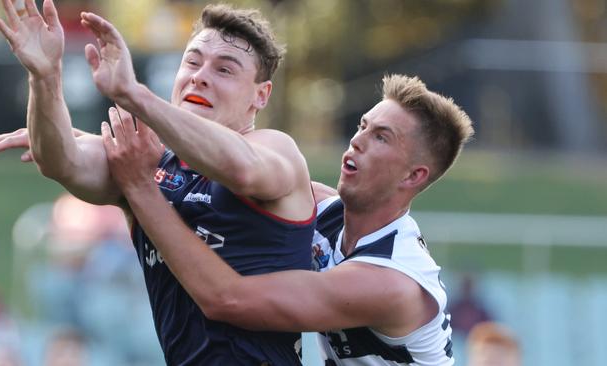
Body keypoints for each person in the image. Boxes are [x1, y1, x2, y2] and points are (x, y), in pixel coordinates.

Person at [0, 1, 315, 365]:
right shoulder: (145, 161)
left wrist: (133, 93)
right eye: (192, 61)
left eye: (224, 70)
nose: (200, 76)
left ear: (260, 95)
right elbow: (63, 160)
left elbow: (241, 169)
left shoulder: (275, 148)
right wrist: (44, 77)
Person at [100, 74, 474, 365]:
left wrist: (140, 185)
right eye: (362, 125)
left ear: (413, 176)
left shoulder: (391, 282)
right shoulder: (327, 211)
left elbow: (227, 299)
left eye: (381, 137)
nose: (357, 140)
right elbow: (229, 170)